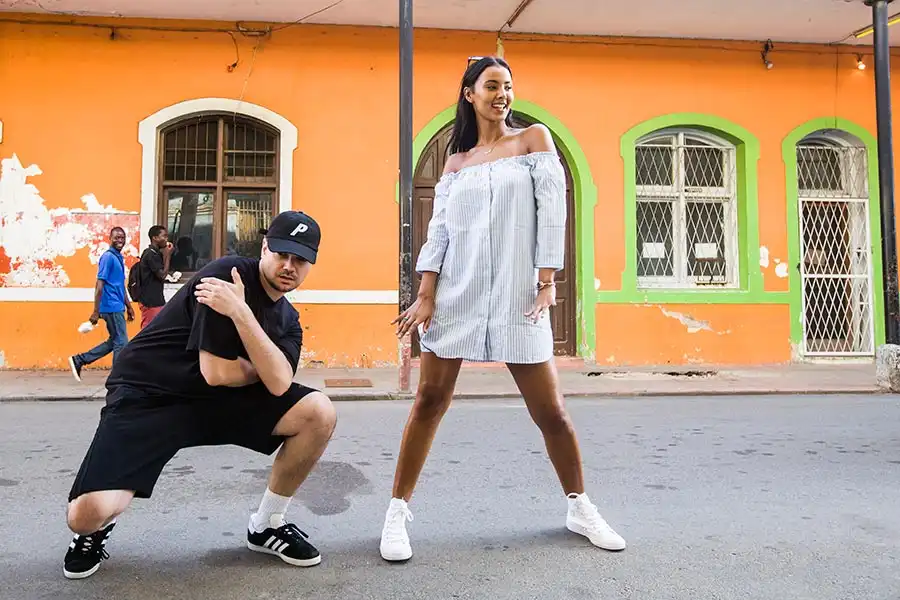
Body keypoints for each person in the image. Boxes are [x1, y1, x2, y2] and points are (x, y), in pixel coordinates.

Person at [379, 57, 626, 562]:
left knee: (551, 411)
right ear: (469, 93)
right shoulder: (455, 162)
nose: (503, 94)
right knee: (429, 400)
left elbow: (552, 211)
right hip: (458, 295)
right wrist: (426, 294)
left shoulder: (533, 140)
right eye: (492, 85)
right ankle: (397, 511)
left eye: (508, 86)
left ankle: (580, 507)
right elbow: (440, 233)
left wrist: (547, 280)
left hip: (518, 296)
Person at [62, 211, 336, 580]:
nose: (289, 266)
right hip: (151, 393)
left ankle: (267, 524)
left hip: (217, 402)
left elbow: (279, 386)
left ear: (311, 264)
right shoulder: (226, 276)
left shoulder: (288, 320)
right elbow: (218, 372)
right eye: (282, 254)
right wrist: (263, 361)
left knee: (318, 412)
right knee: (85, 515)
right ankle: (94, 532)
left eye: (300, 260)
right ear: (265, 247)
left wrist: (240, 313)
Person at [68, 226, 135, 382]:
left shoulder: (118, 258)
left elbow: (120, 286)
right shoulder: (108, 258)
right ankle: (117, 378)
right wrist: (95, 311)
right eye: (117, 237)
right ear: (109, 239)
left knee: (114, 341)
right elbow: (99, 286)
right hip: (111, 306)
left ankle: (80, 360)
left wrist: (129, 306)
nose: (120, 240)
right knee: (121, 342)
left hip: (118, 305)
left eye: (122, 238)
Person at [137, 225, 174, 328]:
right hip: (150, 302)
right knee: (148, 331)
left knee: (157, 329)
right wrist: (168, 255)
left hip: (156, 300)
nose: (166, 239)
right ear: (155, 238)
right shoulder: (150, 255)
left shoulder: (155, 254)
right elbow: (162, 275)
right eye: (164, 236)